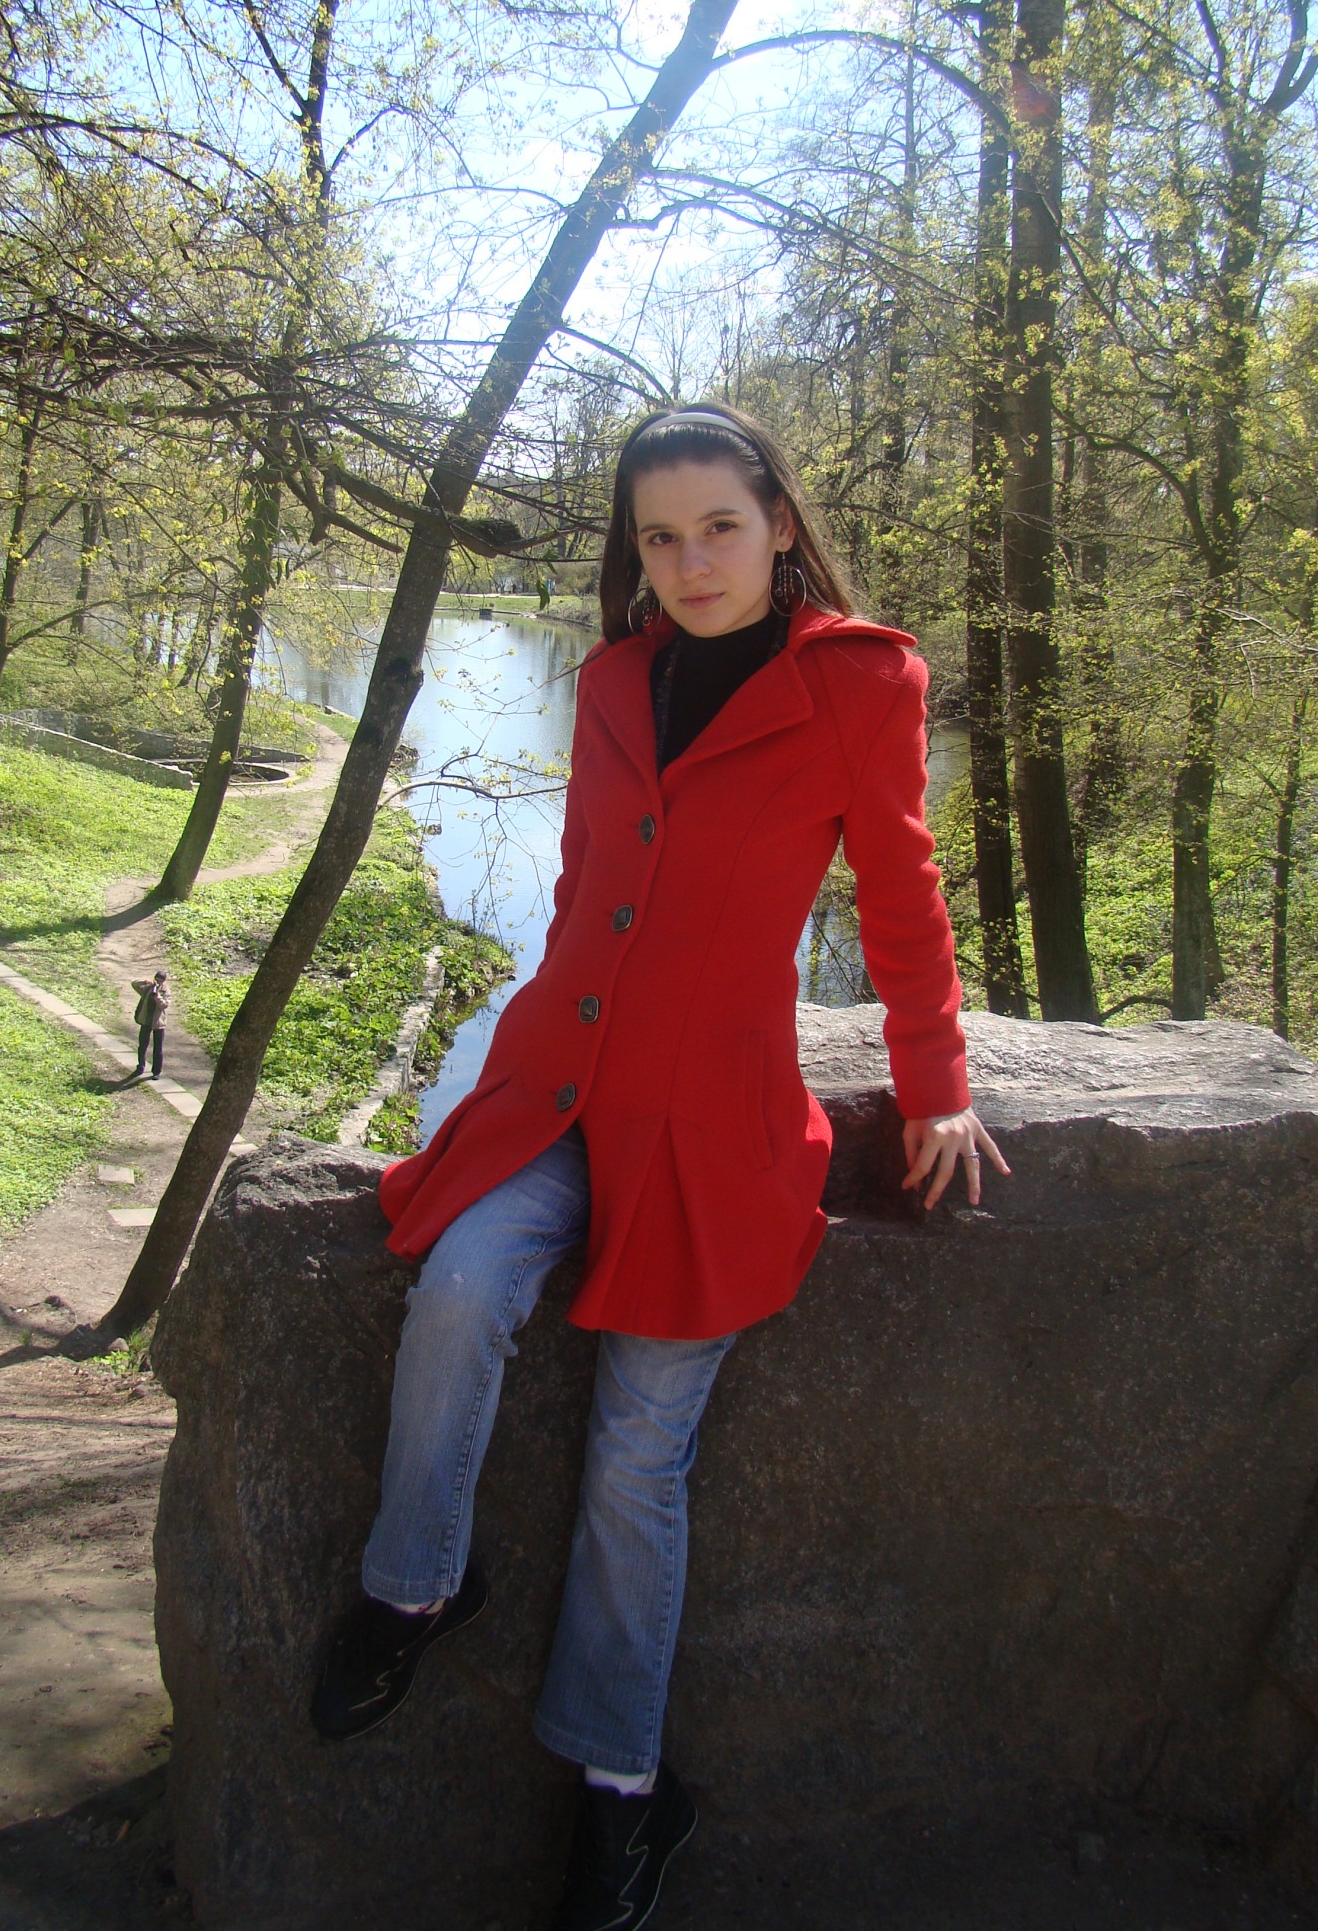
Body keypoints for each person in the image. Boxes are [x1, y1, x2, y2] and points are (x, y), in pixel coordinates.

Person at [311, 403, 1009, 1931]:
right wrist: (527, 1053)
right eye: (659, 537)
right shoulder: (617, 678)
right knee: (462, 1284)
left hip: (712, 1128)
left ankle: (625, 1790)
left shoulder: (859, 680)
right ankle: (415, 1582)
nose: (691, 563)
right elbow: (586, 888)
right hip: (560, 1095)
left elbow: (903, 892)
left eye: (719, 528)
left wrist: (936, 1088)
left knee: (639, 1453)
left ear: (780, 525)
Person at [131, 970, 170, 1078]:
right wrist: (145, 982)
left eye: (160, 981)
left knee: (158, 1049)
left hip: (158, 1024)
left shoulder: (165, 991)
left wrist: (157, 995)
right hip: (146, 1021)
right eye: (157, 980)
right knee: (142, 1046)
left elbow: (164, 1005)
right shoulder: (147, 988)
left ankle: (156, 1072)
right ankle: (140, 1067)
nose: (158, 982)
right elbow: (134, 984)